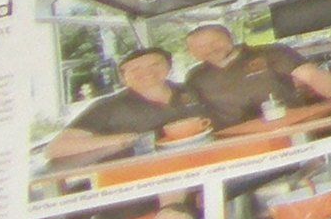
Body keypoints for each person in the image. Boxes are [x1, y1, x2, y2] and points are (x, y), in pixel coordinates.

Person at [45, 50, 212, 167]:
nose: (147, 72)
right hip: (140, 177)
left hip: (201, 164)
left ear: (169, 68)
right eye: (135, 69)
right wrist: (121, 139)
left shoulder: (190, 90)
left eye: (155, 65)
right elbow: (56, 148)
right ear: (124, 78)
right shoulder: (108, 106)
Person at [179, 25, 331, 129]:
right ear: (192, 53)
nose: (210, 49)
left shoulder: (271, 53)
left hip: (292, 128)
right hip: (237, 142)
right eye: (200, 47)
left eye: (215, 41)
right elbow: (194, 114)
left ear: (230, 37)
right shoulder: (195, 77)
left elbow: (312, 75)